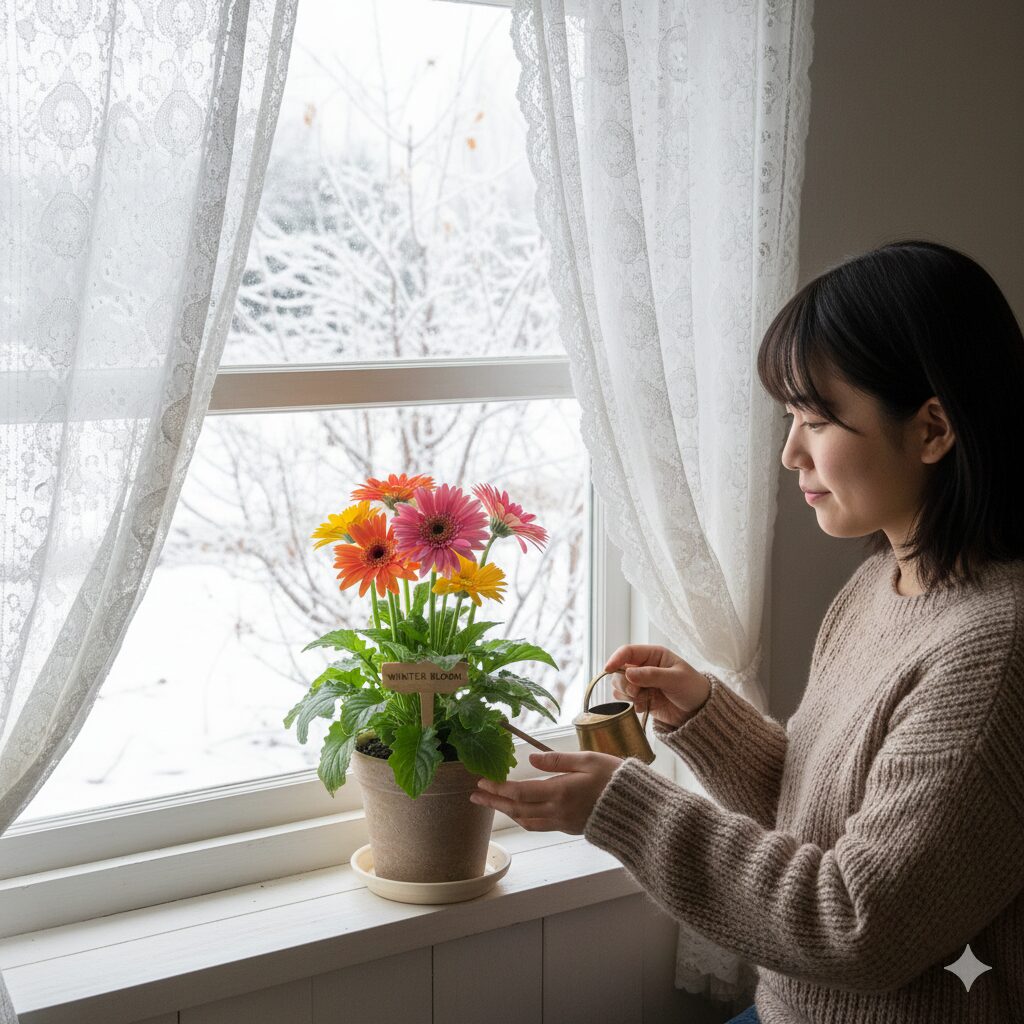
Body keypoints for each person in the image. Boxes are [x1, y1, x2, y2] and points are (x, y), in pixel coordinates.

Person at [469, 240, 1024, 1022]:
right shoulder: (879, 583)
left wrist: (624, 809)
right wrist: (706, 718)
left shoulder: (995, 652)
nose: (791, 450)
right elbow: (824, 821)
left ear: (932, 430)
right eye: (789, 416)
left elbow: (857, 924)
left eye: (817, 419)